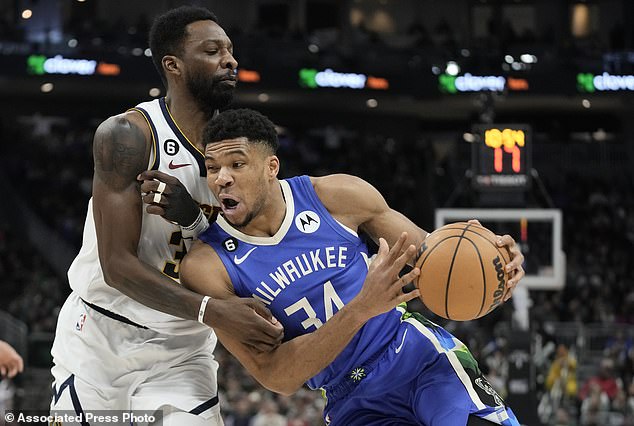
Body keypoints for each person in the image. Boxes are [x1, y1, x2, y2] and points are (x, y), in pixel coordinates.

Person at [180, 108, 526, 425]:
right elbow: (276, 376)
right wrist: (360, 309)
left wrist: (497, 264)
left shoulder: (336, 196)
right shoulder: (208, 265)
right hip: (350, 400)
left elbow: (432, 260)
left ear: (271, 167)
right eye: (212, 167)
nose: (221, 178)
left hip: (417, 357)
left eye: (236, 165)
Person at [50, 7, 283, 424]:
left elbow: (252, 245)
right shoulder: (128, 134)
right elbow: (117, 266)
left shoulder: (242, 146)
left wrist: (193, 217)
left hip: (184, 347)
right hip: (103, 340)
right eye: (213, 51)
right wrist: (213, 310)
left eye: (230, 51)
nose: (230, 60)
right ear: (173, 66)